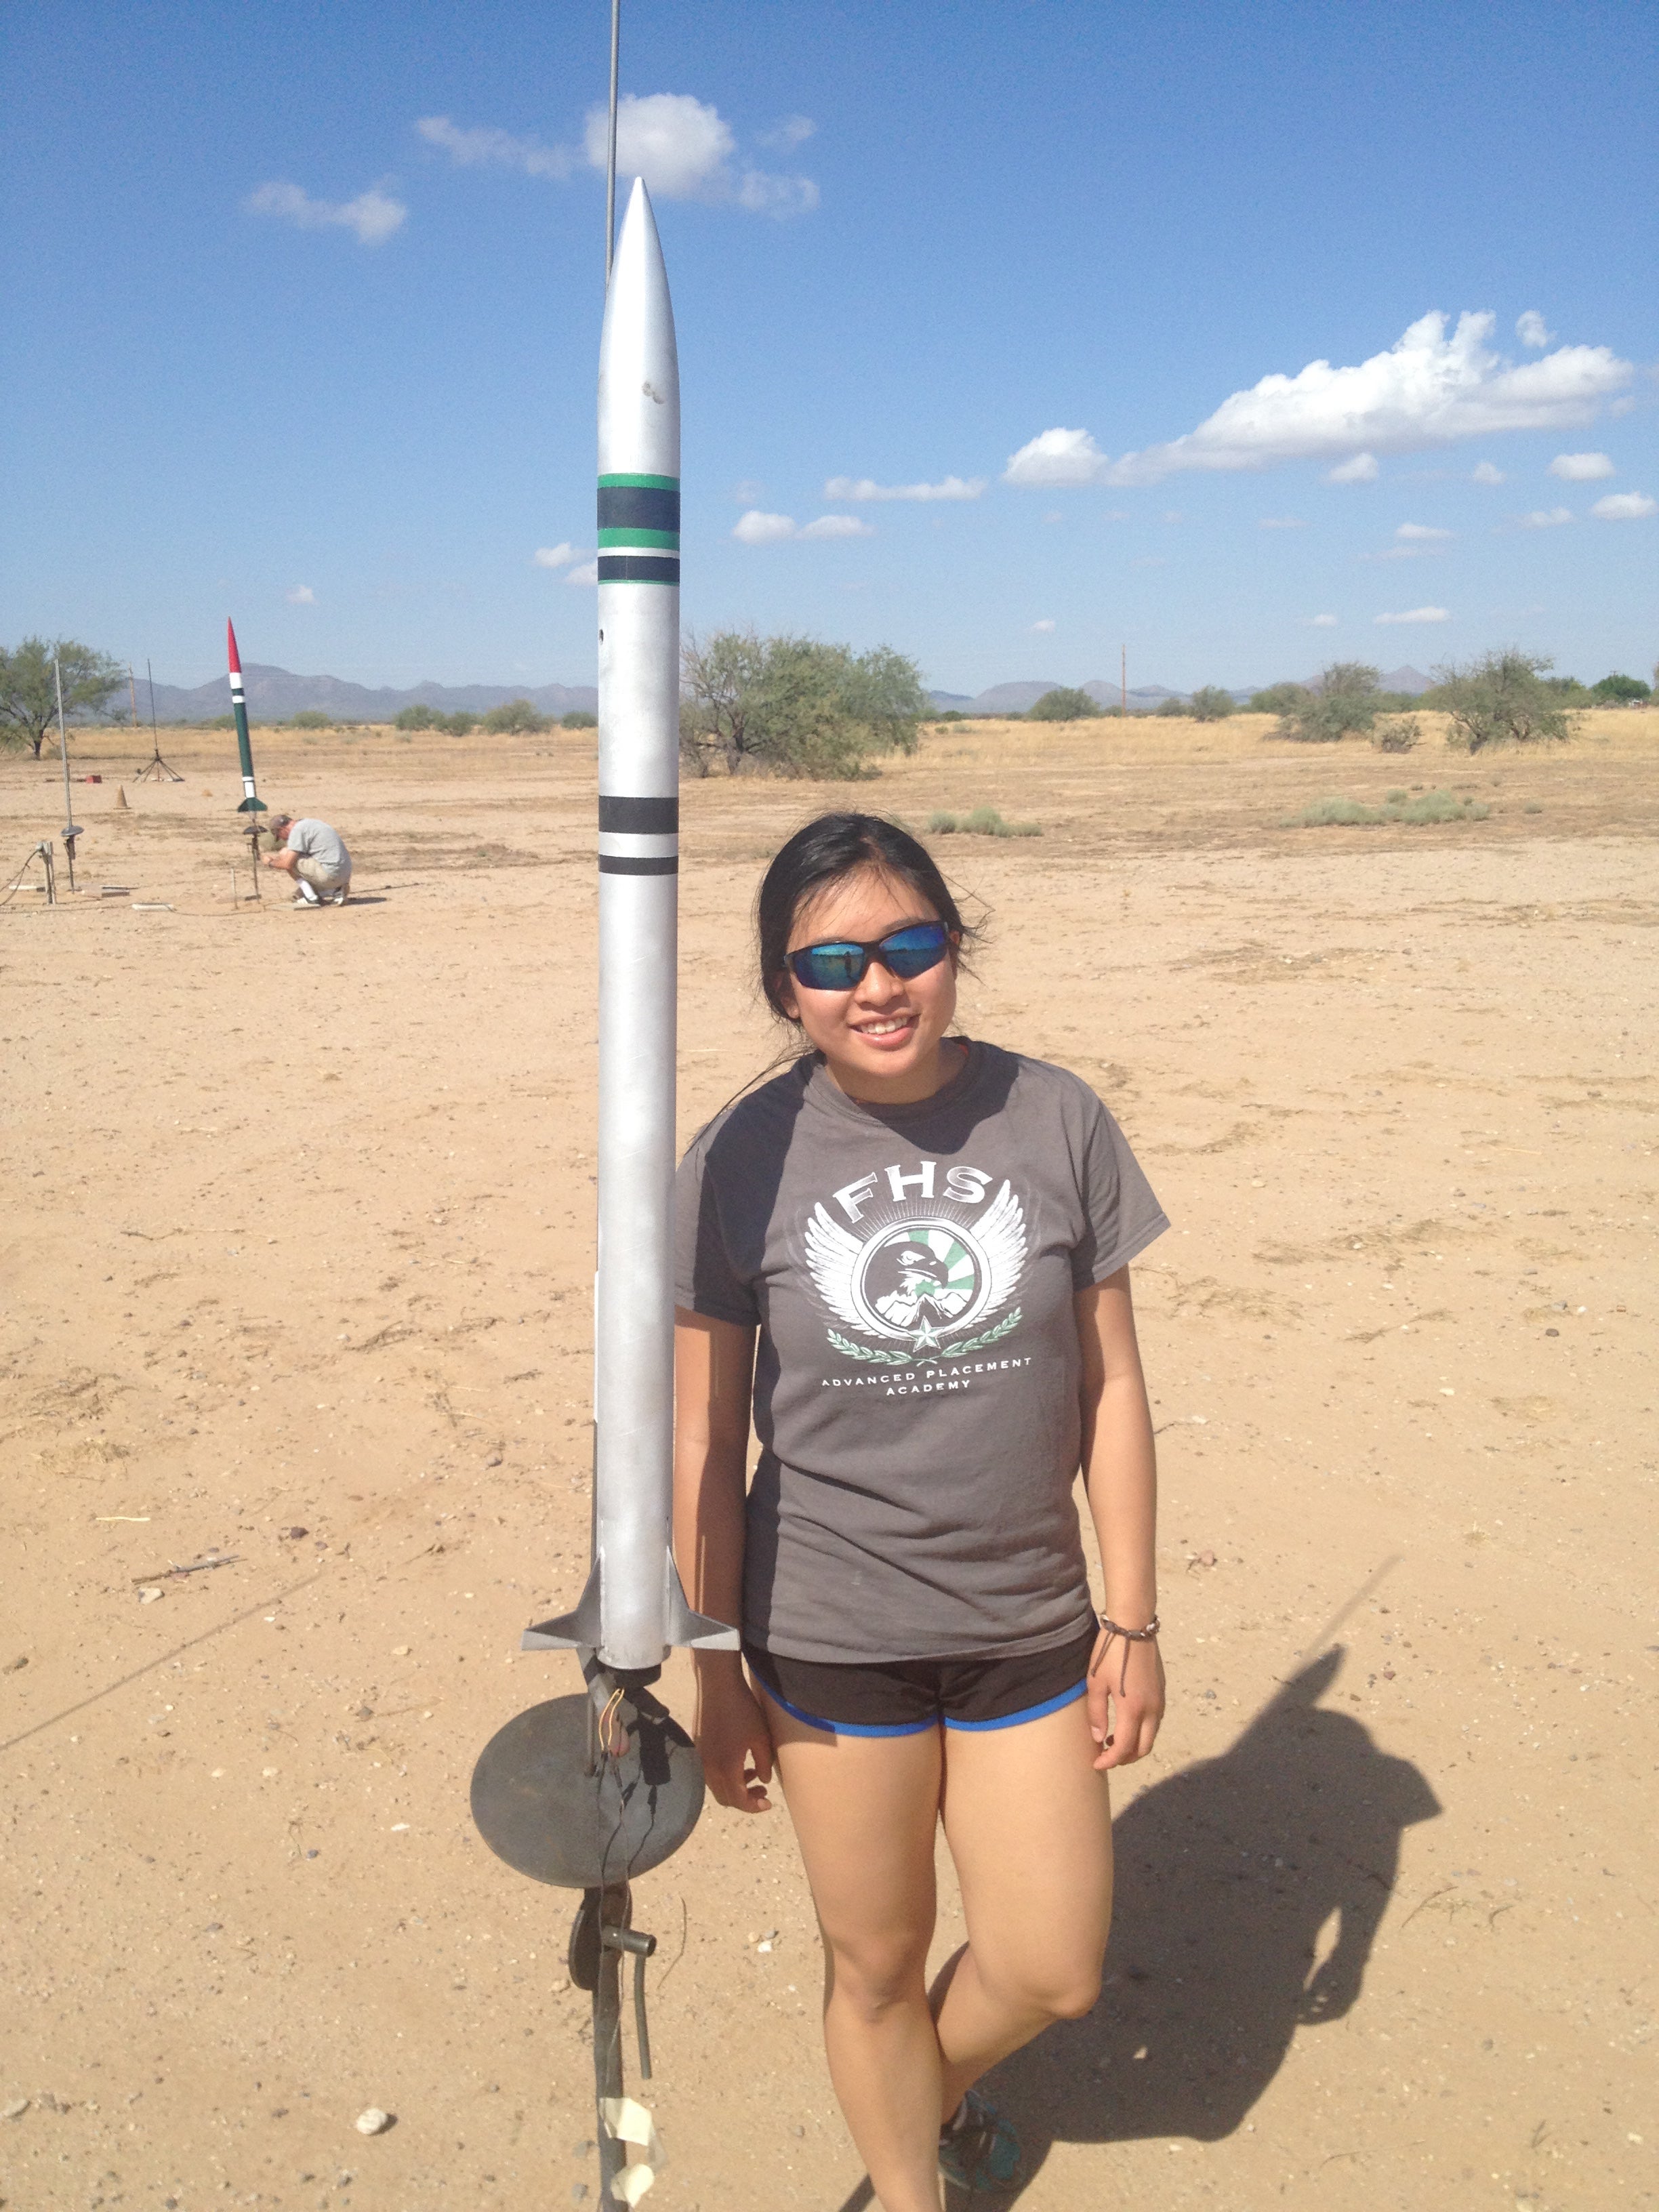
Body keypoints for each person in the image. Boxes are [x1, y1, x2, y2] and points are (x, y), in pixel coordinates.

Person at [673, 813, 1168, 2209]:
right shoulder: (739, 1157)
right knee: (878, 1963)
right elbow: (706, 1435)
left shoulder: (1055, 1115)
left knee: (1052, 1967)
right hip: (830, 1631)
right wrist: (712, 1663)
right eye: (831, 961)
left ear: (956, 949)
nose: (876, 986)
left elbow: (1112, 1389)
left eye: (909, 946)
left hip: (1026, 1616)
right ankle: (910, 2189)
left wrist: (1130, 1618)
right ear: (785, 988)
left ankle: (908, 2101)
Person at [263, 813, 351, 905]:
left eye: (279, 836)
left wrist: (270, 862)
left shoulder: (297, 831)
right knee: (300, 890)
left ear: (281, 830)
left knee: (285, 854)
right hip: (345, 874)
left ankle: (311, 897)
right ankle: (336, 891)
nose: (283, 839)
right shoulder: (309, 823)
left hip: (330, 874)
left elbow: (287, 864)